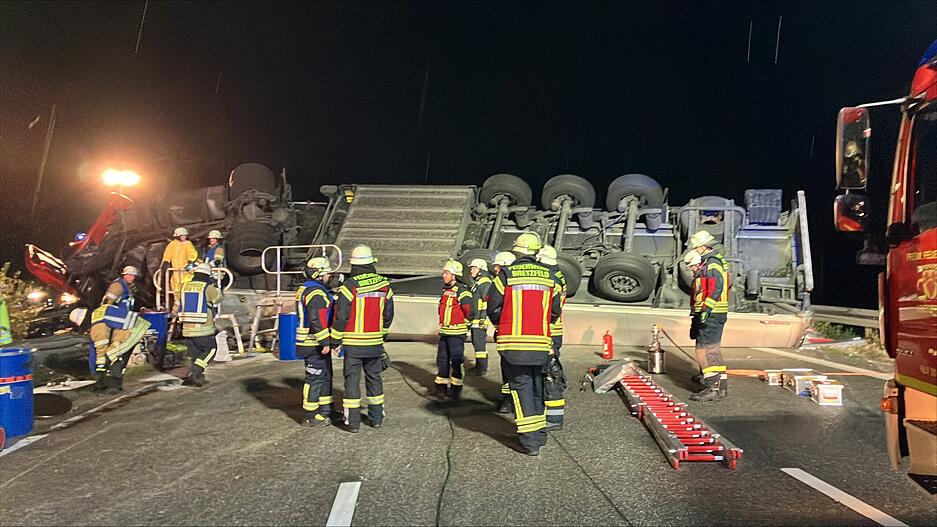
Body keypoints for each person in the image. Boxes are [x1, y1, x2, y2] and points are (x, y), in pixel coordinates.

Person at [487, 232, 563, 455]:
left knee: (521, 389)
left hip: (514, 344)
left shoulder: (506, 275)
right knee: (537, 386)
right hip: (540, 343)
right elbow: (555, 311)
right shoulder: (549, 275)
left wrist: (504, 323)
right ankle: (539, 434)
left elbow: (493, 307)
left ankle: (530, 441)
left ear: (516, 252)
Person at [331, 244, 394, 433]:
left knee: (352, 381)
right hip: (374, 343)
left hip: (353, 344)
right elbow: (388, 315)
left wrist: (335, 340)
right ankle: (376, 418)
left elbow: (341, 316)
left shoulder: (350, 286)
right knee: (374, 378)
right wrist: (382, 335)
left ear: (354, 265)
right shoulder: (384, 285)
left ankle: (353, 423)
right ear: (371, 263)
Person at [89, 266, 151, 394]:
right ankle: (106, 382)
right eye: (130, 275)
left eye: (133, 276)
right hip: (118, 323)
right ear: (124, 275)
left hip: (123, 324)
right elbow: (107, 302)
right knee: (114, 355)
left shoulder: (128, 287)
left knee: (114, 355)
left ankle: (111, 384)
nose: (132, 278)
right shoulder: (117, 286)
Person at [685, 231, 729, 401]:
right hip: (712, 312)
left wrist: (707, 310)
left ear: (703, 246)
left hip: (713, 313)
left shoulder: (712, 263)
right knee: (711, 349)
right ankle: (718, 384)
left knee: (705, 350)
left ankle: (713, 388)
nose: (695, 250)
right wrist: (696, 316)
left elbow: (716, 287)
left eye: (696, 247)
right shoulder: (708, 263)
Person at [296, 256, 337, 428]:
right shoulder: (317, 293)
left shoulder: (308, 288)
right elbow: (316, 319)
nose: (330, 277)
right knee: (315, 378)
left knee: (325, 376)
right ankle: (310, 415)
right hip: (313, 343)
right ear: (319, 274)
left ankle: (326, 410)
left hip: (312, 342)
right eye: (327, 274)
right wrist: (325, 342)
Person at [536, 244, 568, 430]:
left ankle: (554, 418)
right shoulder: (559, 275)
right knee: (551, 372)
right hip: (554, 329)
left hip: (549, 330)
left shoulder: (550, 279)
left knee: (550, 374)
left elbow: (549, 308)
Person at [433, 260, 473, 400]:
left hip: (456, 333)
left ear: (454, 275)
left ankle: (456, 388)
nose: (443, 275)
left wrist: (464, 324)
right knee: (442, 359)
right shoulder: (446, 290)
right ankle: (441, 387)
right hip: (445, 331)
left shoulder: (462, 291)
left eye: (446, 273)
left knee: (456, 361)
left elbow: (469, 310)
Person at [178, 262, 222, 386]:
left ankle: (197, 377)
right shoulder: (207, 287)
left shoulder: (184, 286)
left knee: (195, 354)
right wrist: (215, 286)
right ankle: (196, 371)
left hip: (186, 328)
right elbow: (218, 299)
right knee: (211, 349)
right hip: (203, 328)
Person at [490, 251, 517, 414]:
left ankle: (508, 401)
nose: (495, 270)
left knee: (508, 366)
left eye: (497, 266)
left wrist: (498, 324)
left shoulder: (502, 280)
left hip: (507, 332)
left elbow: (493, 307)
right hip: (530, 333)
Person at [160, 227, 199, 308]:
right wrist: (165, 263)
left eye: (184, 235)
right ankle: (177, 308)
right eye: (182, 236)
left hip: (186, 272)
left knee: (186, 289)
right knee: (175, 290)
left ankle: (187, 307)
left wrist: (190, 261)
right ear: (177, 236)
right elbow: (167, 255)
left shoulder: (188, 244)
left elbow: (192, 254)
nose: (184, 237)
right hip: (176, 272)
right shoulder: (172, 245)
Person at [467, 258, 492, 375]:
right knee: (476, 343)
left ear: (481, 270)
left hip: (480, 320)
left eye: (474, 268)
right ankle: (479, 366)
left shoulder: (485, 282)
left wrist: (482, 318)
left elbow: (486, 301)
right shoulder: (478, 283)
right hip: (476, 319)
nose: (471, 271)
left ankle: (481, 368)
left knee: (479, 344)